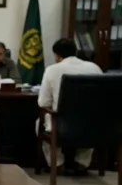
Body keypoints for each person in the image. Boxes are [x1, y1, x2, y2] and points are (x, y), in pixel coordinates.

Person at [38, 38, 102, 172]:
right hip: (92, 123)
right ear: (76, 52)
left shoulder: (52, 70)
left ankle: (57, 164)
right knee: (89, 124)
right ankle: (82, 163)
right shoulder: (94, 68)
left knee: (40, 123)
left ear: (57, 55)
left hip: (61, 123)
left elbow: (43, 103)